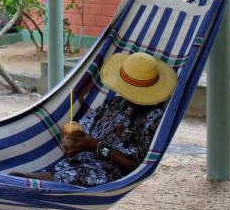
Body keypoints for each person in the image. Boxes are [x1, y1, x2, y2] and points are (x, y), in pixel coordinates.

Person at [14, 51, 177, 187]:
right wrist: (73, 139)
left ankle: (26, 182)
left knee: (77, 175)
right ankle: (29, 181)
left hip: (109, 172)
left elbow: (133, 164)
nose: (127, 95)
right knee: (65, 169)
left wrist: (96, 146)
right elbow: (84, 127)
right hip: (81, 160)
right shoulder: (114, 104)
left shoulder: (153, 119)